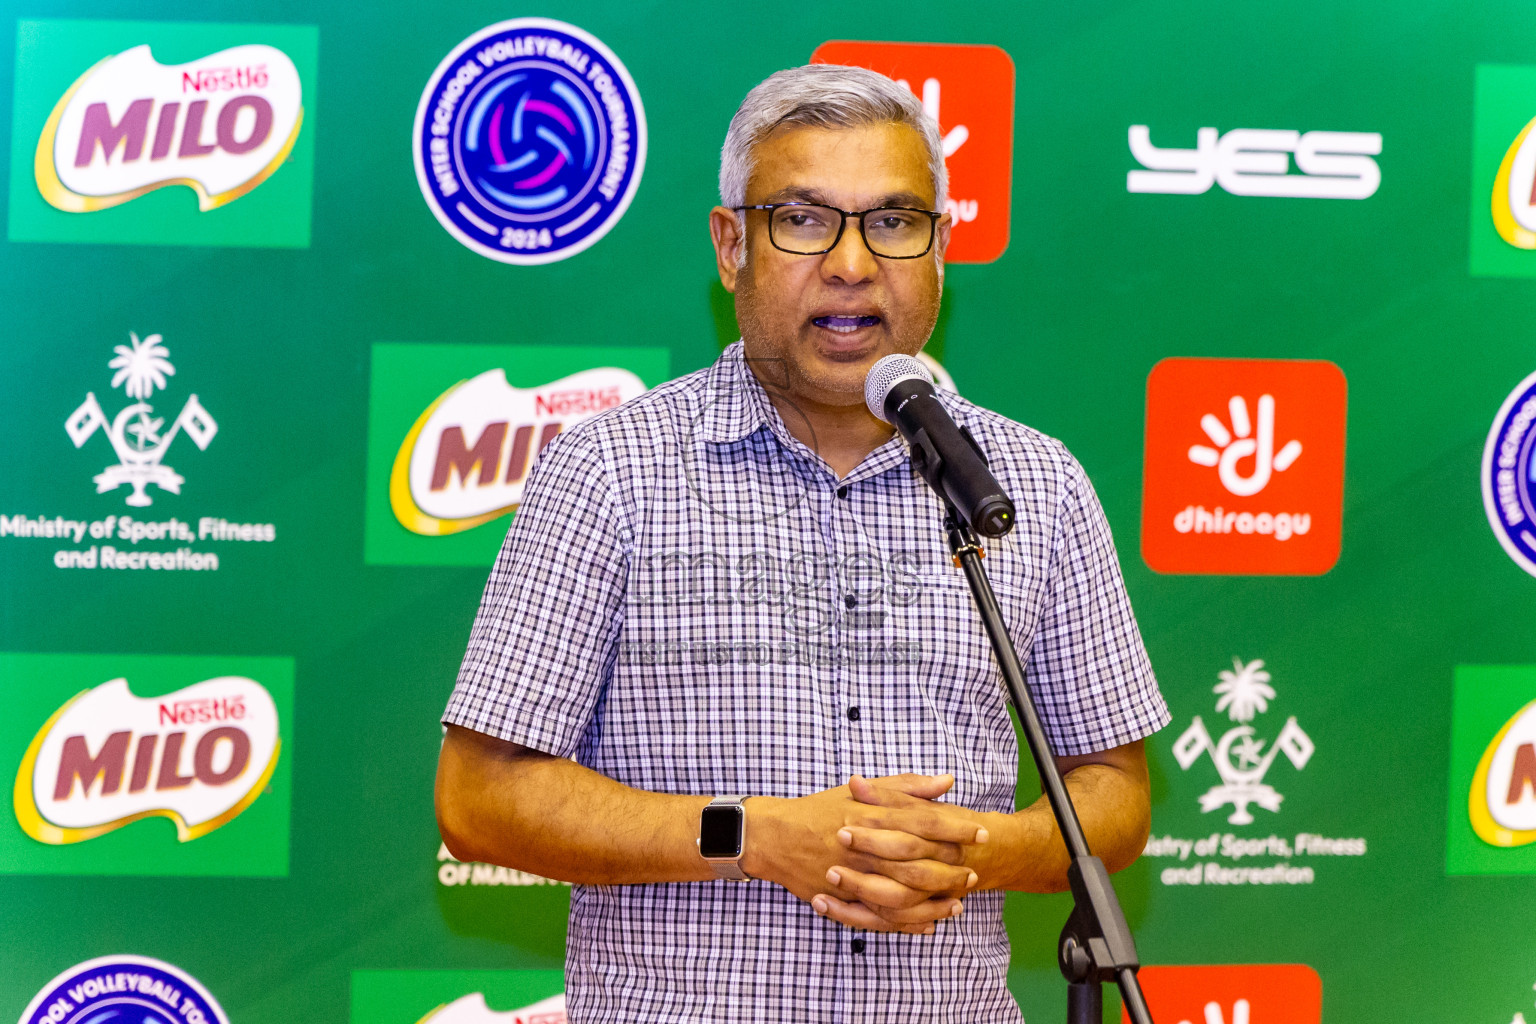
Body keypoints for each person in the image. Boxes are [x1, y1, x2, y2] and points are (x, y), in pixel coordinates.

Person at [435, 63, 1169, 1023]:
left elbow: (1112, 791)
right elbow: (479, 797)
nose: (854, 264)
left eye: (895, 222)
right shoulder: (611, 471)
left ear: (940, 250)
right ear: (732, 243)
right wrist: (748, 834)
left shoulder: (1027, 482)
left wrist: (965, 848)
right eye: (806, 219)